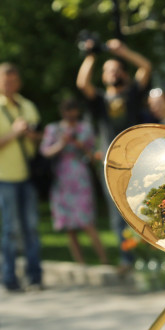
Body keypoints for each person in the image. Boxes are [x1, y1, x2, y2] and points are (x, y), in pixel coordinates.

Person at [76, 38, 152, 270]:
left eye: (117, 69)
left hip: (138, 160)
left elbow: (146, 67)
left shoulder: (132, 94)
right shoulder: (100, 100)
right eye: (108, 70)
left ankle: (148, 258)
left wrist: (123, 51)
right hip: (111, 163)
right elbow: (82, 83)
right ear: (103, 77)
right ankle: (127, 258)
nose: (113, 73)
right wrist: (91, 54)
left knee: (143, 208)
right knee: (117, 212)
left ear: (124, 74)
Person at [0, 63, 43, 292]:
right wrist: (13, 133)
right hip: (4, 178)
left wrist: (30, 134)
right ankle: (10, 278)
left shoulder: (28, 106)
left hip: (28, 175)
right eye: (5, 81)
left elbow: (40, 136)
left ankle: (34, 277)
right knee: (10, 229)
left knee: (31, 228)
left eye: (13, 80)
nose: (9, 85)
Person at [40, 99, 109, 266]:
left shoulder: (85, 128)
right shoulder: (53, 129)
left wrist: (80, 145)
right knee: (69, 226)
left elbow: (93, 155)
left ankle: (104, 260)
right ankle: (80, 263)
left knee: (87, 221)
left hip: (80, 177)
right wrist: (62, 143)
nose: (71, 115)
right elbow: (45, 152)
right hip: (61, 179)